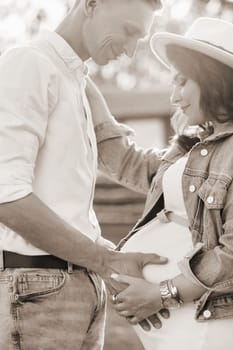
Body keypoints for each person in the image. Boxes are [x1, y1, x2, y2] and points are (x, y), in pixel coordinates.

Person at [0, 1, 167, 349]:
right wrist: (106, 260)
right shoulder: (28, 64)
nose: (131, 51)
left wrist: (201, 147)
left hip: (80, 284)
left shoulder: (80, 82)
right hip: (37, 285)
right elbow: (6, 195)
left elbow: (128, 163)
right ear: (91, 4)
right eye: (129, 31)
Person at [86, 17, 233, 350]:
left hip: (206, 323)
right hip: (183, 322)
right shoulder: (194, 150)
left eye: (183, 82)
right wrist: (79, 77)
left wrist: (162, 292)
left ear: (214, 82)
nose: (174, 96)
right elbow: (128, 162)